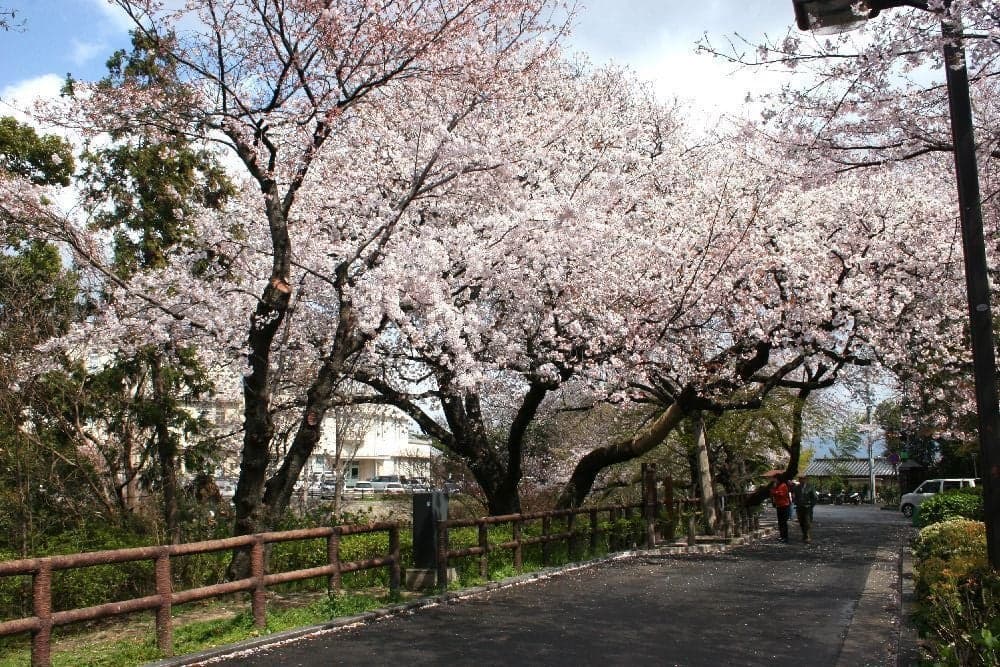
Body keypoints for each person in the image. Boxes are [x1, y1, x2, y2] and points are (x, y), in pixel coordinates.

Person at [792, 474, 819, 543]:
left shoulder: (810, 487)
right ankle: (804, 534)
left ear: (806, 480)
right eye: (800, 479)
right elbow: (794, 497)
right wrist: (795, 502)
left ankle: (807, 536)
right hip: (799, 507)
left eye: (803, 479)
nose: (801, 480)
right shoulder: (796, 488)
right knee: (801, 522)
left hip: (807, 508)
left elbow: (815, 498)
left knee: (807, 522)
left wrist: (811, 505)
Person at [769, 475, 793, 543]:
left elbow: (781, 494)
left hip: (784, 505)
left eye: (775, 479)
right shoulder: (776, 486)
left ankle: (785, 537)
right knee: (780, 522)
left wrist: (773, 491)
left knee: (783, 522)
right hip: (779, 505)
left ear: (778, 479)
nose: (774, 480)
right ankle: (782, 536)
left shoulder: (783, 485)